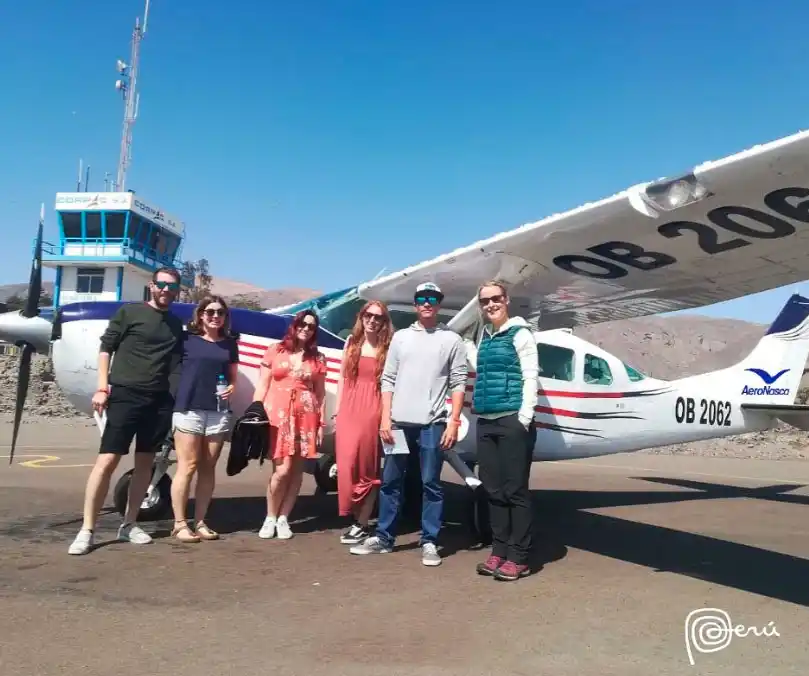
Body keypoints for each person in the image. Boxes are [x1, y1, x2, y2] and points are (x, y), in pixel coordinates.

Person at [68, 267, 185, 555]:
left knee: (145, 463)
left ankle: (130, 523)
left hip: (158, 402)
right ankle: (87, 530)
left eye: (172, 287)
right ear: (152, 286)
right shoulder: (129, 313)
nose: (166, 291)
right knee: (107, 460)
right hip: (125, 395)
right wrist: (102, 387)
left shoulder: (174, 324)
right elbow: (106, 348)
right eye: (162, 285)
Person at [350, 282, 467, 566]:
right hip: (398, 424)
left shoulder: (452, 340)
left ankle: (429, 542)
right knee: (390, 481)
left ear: (439, 304)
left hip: (433, 424)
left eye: (433, 298)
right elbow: (387, 380)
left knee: (431, 483)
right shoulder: (401, 338)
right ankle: (384, 537)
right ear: (415, 304)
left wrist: (452, 421)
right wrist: (385, 419)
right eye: (422, 298)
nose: (427, 303)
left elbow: (458, 382)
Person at [468, 280, 539, 581]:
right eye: (485, 301)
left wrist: (524, 418)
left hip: (512, 419)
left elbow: (530, 376)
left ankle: (519, 557)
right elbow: (482, 369)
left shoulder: (521, 334)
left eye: (495, 298)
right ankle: (499, 552)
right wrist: (464, 344)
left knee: (515, 491)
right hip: (486, 420)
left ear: (506, 300)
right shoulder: (486, 338)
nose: (490, 305)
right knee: (494, 491)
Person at [253, 310, 327, 540]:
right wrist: (254, 411)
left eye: (312, 326)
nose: (306, 328)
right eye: (302, 324)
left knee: (296, 470)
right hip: (278, 416)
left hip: (306, 416)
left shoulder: (318, 358)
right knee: (281, 470)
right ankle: (270, 516)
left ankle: (284, 517)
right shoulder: (275, 350)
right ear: (294, 325)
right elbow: (263, 385)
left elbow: (321, 394)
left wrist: (321, 424)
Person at [169, 295, 239, 543]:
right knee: (187, 466)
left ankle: (200, 521)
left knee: (208, 467)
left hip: (217, 411)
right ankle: (179, 524)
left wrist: (231, 387)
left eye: (220, 312)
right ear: (200, 315)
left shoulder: (229, 344)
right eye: (210, 312)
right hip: (189, 409)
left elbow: (232, 376)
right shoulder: (187, 340)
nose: (215, 316)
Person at [333, 300, 393, 545]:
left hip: (372, 409)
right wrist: (337, 412)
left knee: (367, 468)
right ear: (362, 317)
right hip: (348, 408)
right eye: (368, 315)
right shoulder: (351, 344)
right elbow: (341, 379)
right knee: (346, 466)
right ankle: (355, 517)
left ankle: (362, 522)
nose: (372, 320)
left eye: (378, 317)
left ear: (383, 322)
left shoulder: (387, 349)